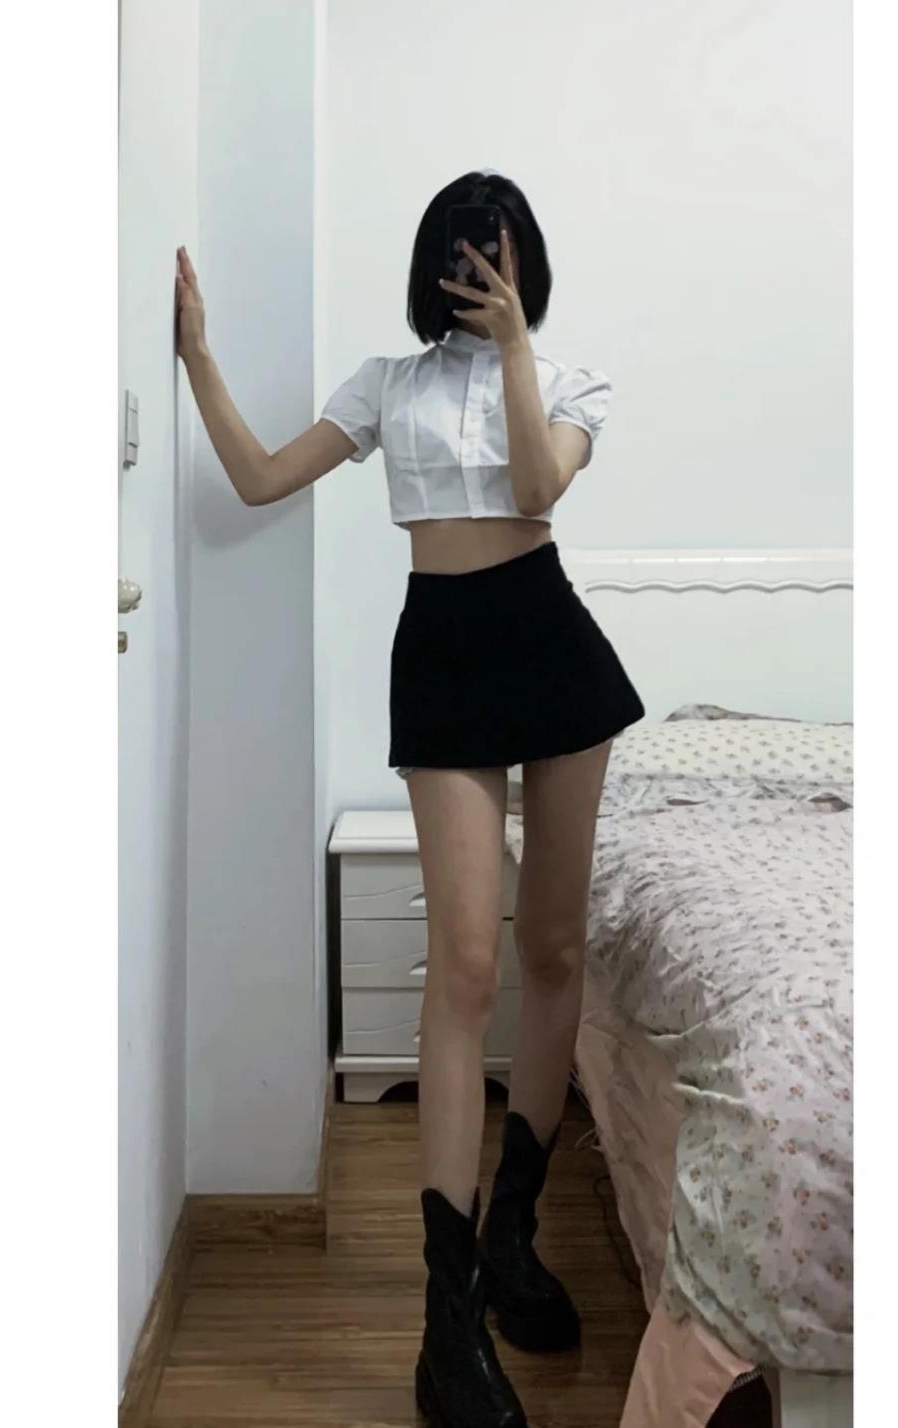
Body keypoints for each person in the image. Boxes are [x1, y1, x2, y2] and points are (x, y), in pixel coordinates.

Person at [177, 170, 645, 1428]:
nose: (477, 268)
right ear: (432, 259)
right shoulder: (386, 383)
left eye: (498, 249)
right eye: (460, 247)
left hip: (548, 643)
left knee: (554, 950)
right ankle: (447, 1327)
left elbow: (537, 490)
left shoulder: (572, 378)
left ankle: (513, 1242)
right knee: (465, 966)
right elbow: (259, 479)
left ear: (523, 260)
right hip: (440, 653)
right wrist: (197, 358)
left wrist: (516, 347)